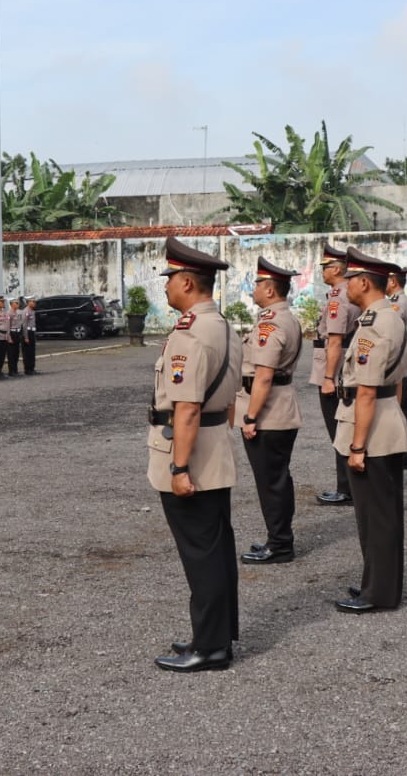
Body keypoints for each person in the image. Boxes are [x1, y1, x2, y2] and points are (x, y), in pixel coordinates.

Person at [149, 237, 242, 674]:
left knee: (201, 555)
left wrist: (179, 467)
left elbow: (185, 408)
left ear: (187, 282)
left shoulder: (190, 333)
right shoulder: (223, 325)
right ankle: (218, 635)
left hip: (193, 453)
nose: (166, 287)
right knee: (217, 548)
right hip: (215, 448)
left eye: (170, 279)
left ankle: (209, 647)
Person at [331, 250, 407, 613]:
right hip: (385, 418)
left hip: (372, 428)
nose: (345, 285)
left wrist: (358, 446)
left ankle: (378, 593)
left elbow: (365, 390)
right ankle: (378, 584)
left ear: (364, 282)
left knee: (376, 515)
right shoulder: (387, 317)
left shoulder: (375, 323)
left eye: (350, 278)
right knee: (379, 513)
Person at [237, 257, 305, 565]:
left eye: (257, 283)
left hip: (268, 412)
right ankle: (280, 539)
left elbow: (263, 375)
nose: (254, 288)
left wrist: (251, 416)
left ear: (269, 288)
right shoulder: (286, 318)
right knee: (277, 479)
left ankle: (279, 545)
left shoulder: (271, 323)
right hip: (279, 406)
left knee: (271, 481)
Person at [310, 242, 361, 505]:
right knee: (342, 429)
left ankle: (347, 488)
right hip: (339, 368)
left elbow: (335, 342)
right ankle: (348, 485)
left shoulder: (338, 299)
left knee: (338, 430)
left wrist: (328, 378)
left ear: (337, 270)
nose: (322, 271)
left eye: (326, 267)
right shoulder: (342, 296)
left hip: (334, 371)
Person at [386, 266, 407, 469]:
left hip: (400, 362)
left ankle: (402, 454)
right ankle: (402, 453)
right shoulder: (397, 302)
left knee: (399, 408)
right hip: (403, 361)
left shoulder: (398, 304)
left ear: (393, 282)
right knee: (401, 407)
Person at [6, 298, 23, 376]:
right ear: (12, 304)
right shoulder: (8, 313)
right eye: (16, 303)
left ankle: (15, 369)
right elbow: (7, 326)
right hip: (12, 333)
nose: (17, 304)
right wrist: (9, 337)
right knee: (11, 354)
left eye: (17, 303)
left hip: (17, 333)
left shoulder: (18, 312)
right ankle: (11, 371)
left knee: (16, 353)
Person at [21, 297, 38, 374]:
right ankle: (27, 369)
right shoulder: (26, 311)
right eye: (33, 301)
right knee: (27, 352)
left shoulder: (32, 311)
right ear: (28, 302)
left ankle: (32, 368)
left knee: (32, 351)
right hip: (27, 332)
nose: (34, 303)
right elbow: (24, 325)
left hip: (32, 332)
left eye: (35, 301)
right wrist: (26, 337)